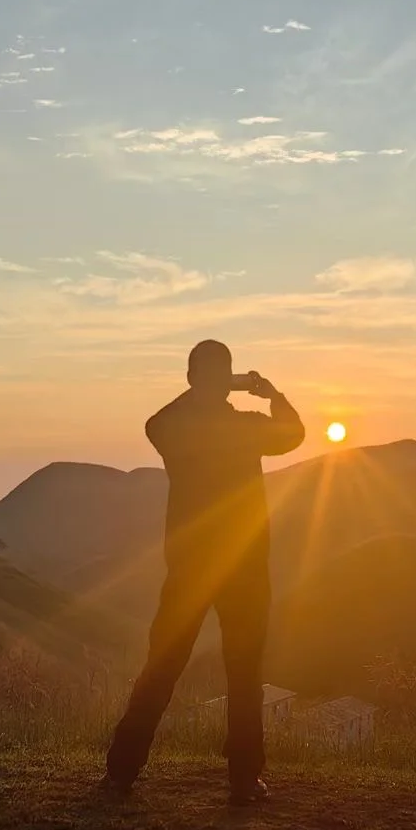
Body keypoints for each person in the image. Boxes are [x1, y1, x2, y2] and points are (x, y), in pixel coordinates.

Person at [103, 339, 304, 805]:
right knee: (244, 671)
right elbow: (293, 433)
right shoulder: (246, 428)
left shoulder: (178, 427)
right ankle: (244, 780)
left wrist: (201, 391)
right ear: (227, 380)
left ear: (192, 378)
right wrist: (270, 394)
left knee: (162, 665)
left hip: (191, 566)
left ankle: (121, 772)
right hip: (245, 566)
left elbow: (154, 423)